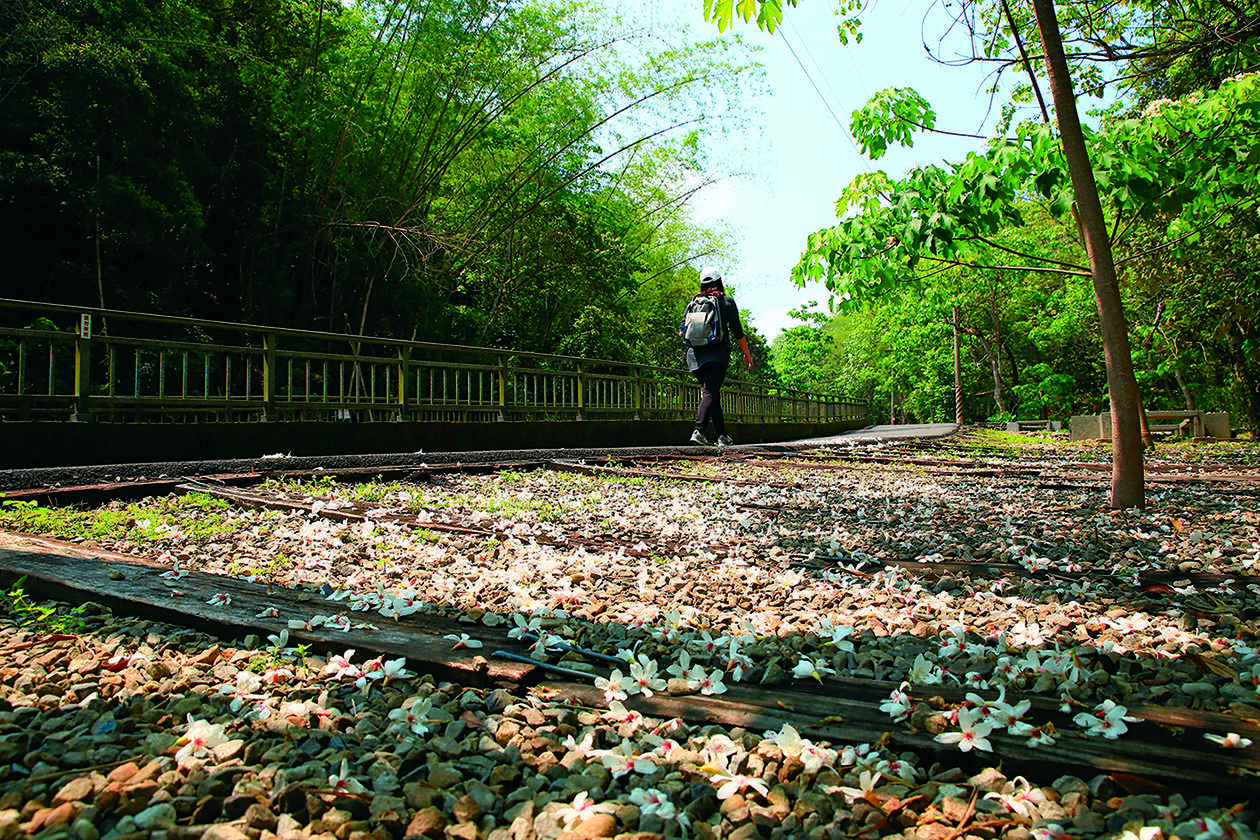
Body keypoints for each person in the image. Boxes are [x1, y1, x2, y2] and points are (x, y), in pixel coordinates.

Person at [679, 266, 753, 447]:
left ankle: (722, 436)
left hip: (694, 357)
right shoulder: (726, 301)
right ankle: (699, 431)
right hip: (717, 355)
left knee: (712, 394)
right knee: (710, 393)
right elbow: (738, 332)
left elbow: (682, 332)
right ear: (720, 282)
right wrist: (747, 354)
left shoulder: (694, 302)